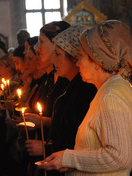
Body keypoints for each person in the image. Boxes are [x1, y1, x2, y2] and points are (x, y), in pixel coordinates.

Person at [39, 20, 132, 176]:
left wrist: (69, 159)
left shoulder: (111, 95)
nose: (78, 62)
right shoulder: (108, 90)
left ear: (97, 60)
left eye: (82, 57)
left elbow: (119, 157)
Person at [25, 25, 97, 176]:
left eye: (57, 54)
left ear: (74, 57)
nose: (53, 59)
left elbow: (81, 140)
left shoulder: (85, 90)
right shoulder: (68, 84)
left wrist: (47, 147)